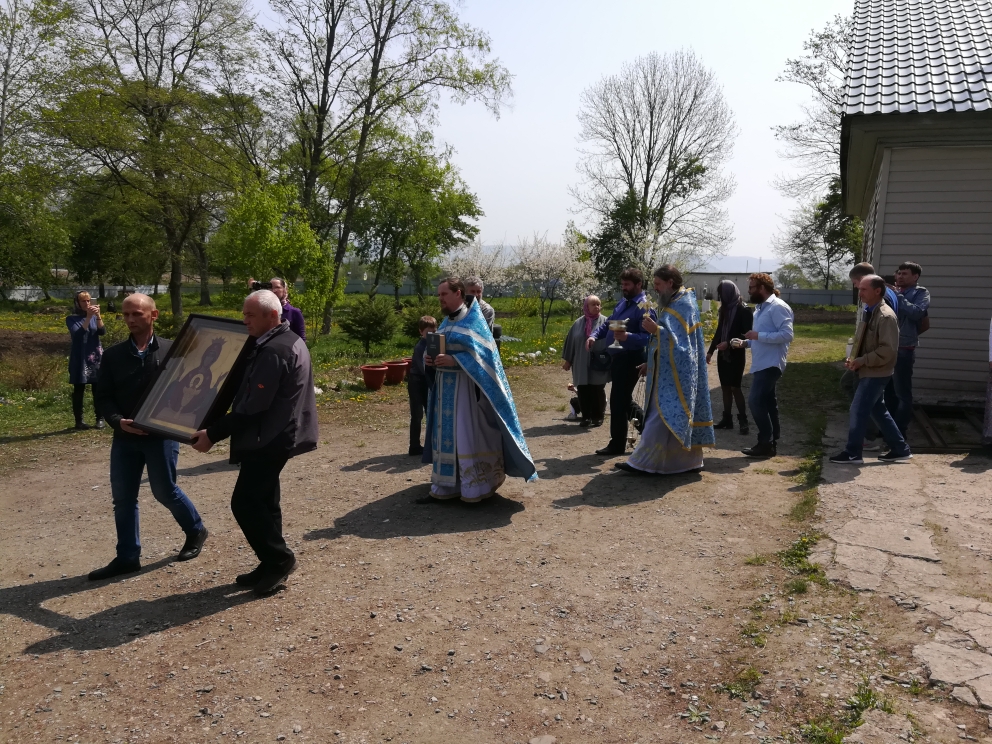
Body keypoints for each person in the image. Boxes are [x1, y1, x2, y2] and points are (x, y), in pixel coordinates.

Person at [191, 290, 318, 595]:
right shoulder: (281, 341)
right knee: (265, 502)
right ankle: (270, 562)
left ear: (272, 316)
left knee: (245, 503)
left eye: (250, 315)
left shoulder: (275, 350)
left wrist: (212, 434)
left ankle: (280, 559)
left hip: (268, 438)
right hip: (275, 435)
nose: (244, 320)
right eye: (244, 314)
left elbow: (253, 407)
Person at [90, 294, 208, 580]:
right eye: (126, 314)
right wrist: (118, 422)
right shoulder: (114, 355)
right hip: (125, 437)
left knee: (164, 491)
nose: (130, 319)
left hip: (160, 437)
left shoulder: (174, 351)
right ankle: (127, 557)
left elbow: (193, 390)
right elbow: (103, 396)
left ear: (153, 315)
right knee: (123, 499)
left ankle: (196, 530)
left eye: (137, 314)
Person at [423, 277, 537, 502]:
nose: (440, 299)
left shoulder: (474, 320)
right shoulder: (446, 322)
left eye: (444, 294)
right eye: (439, 295)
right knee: (448, 438)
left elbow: (485, 357)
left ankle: (474, 486)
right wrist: (430, 359)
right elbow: (441, 349)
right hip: (445, 391)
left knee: (465, 436)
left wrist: (455, 361)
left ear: (458, 293)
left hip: (467, 393)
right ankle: (447, 485)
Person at [616, 265, 715, 475]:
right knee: (666, 418)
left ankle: (641, 463)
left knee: (658, 416)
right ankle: (688, 463)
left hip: (677, 376)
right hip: (666, 371)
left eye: (658, 284)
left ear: (670, 282)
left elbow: (683, 347)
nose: (656, 288)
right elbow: (670, 342)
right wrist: (650, 363)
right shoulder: (675, 302)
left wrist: (657, 330)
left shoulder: (684, 305)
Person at [829, 276, 912, 464]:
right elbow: (864, 342)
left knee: (858, 410)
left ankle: (853, 452)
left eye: (864, 289)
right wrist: (853, 359)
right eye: (860, 289)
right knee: (878, 411)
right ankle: (900, 449)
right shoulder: (869, 311)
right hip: (867, 369)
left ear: (877, 291)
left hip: (876, 373)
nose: (860, 293)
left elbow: (888, 350)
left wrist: (862, 360)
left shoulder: (886, 316)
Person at [586, 267, 657, 456]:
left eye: (627, 284)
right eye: (622, 284)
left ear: (639, 284)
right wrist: (594, 336)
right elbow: (608, 323)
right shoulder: (623, 303)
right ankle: (648, 431)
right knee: (622, 400)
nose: (624, 287)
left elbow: (650, 337)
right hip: (617, 358)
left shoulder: (645, 306)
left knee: (618, 400)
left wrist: (628, 337)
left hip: (632, 358)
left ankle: (619, 443)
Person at [739, 273, 794, 458]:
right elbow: (761, 336)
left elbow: (787, 335)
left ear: (762, 288)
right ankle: (771, 442)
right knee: (769, 403)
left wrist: (757, 336)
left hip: (771, 363)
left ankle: (765, 442)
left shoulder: (778, 307)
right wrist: (745, 343)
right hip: (761, 362)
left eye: (752, 287)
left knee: (755, 401)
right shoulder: (760, 308)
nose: (749, 291)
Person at [885, 261, 930, 434]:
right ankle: (887, 430)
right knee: (887, 391)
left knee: (902, 393)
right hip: (886, 346)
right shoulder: (890, 292)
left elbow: (917, 313)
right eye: (898, 273)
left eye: (905, 274)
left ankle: (900, 432)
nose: (900, 276)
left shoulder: (920, 293)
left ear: (915, 277)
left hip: (904, 348)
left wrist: (898, 296)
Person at [707, 280, 753, 434]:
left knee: (735, 387)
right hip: (723, 355)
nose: (721, 298)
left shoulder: (744, 310)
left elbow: (747, 334)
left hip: (736, 354)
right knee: (725, 387)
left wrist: (729, 343)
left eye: (723, 295)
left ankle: (743, 421)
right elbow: (720, 331)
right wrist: (711, 351)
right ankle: (727, 419)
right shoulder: (724, 310)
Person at [562, 295, 610, 427]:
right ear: (586, 307)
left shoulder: (605, 322)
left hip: (599, 362)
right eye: (593, 304)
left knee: (597, 389)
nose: (597, 307)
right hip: (581, 361)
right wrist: (568, 360)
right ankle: (586, 417)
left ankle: (598, 416)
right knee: (583, 390)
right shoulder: (578, 323)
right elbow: (571, 342)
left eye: (598, 304)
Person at [66, 291, 106, 430]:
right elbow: (78, 335)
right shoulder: (71, 319)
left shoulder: (94, 317)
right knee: (79, 389)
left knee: (98, 388)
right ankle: (79, 421)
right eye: (83, 301)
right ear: (77, 303)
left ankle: (100, 418)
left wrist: (98, 316)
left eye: (89, 300)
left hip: (95, 356)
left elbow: (102, 332)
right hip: (80, 357)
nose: (87, 303)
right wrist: (88, 318)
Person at [407, 315, 437, 456]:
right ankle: (414, 446)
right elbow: (423, 368)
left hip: (426, 381)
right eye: (428, 333)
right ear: (421, 332)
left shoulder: (434, 344)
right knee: (417, 414)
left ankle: (431, 445)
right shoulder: (420, 347)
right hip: (416, 382)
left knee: (430, 413)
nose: (432, 335)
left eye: (434, 332)